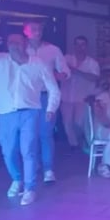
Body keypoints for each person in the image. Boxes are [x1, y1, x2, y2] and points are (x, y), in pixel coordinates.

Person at [0, 34, 60, 205]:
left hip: (30, 112)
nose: (13, 45)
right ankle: (17, 179)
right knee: (8, 151)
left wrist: (51, 108)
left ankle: (30, 188)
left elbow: (53, 88)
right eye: (10, 42)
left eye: (17, 42)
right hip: (6, 113)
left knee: (28, 150)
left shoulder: (38, 63)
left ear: (25, 44)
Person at [24, 20, 70, 183]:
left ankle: (48, 169)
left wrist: (59, 75)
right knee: (29, 134)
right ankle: (33, 164)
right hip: (27, 97)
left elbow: (65, 71)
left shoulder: (53, 49)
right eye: (33, 29)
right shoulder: (21, 49)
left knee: (46, 133)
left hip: (46, 96)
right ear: (25, 31)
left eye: (40, 29)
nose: (37, 32)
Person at [61, 36, 100, 149]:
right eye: (77, 44)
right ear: (74, 46)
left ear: (86, 46)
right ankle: (74, 146)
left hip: (83, 98)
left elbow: (95, 78)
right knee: (67, 123)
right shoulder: (66, 59)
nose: (80, 47)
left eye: (82, 44)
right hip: (66, 97)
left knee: (80, 123)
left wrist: (77, 72)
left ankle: (83, 142)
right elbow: (59, 72)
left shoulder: (92, 63)